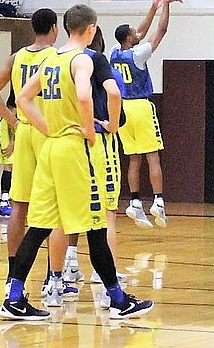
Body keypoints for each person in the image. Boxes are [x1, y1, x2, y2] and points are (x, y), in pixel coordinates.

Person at [4, 4, 153, 321]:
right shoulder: (82, 60)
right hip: (75, 151)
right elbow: (99, 95)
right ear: (92, 28)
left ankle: (14, 298)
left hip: (51, 147)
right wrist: (102, 127)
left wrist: (47, 128)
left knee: (40, 225)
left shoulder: (52, 58)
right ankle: (117, 299)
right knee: (97, 224)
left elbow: (22, 99)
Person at [0, 9, 75, 304]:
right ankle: (53, 276)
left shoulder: (18, 56)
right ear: (54, 28)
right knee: (56, 207)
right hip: (47, 130)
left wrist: (13, 121)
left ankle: (13, 274)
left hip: (24, 132)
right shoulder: (57, 57)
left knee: (19, 205)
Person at [111, 0, 181, 228]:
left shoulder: (113, 51)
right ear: (129, 38)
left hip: (121, 109)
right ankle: (159, 200)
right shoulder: (138, 54)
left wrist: (153, 6)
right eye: (133, 33)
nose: (137, 33)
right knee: (153, 156)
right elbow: (160, 32)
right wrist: (166, 7)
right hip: (140, 106)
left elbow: (140, 31)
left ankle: (134, 201)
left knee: (133, 159)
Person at [87, 26, 129, 296]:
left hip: (71, 142)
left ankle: (60, 271)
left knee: (69, 212)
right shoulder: (108, 74)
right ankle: (107, 276)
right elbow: (119, 116)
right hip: (101, 141)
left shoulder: (63, 64)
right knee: (107, 213)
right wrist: (111, 123)